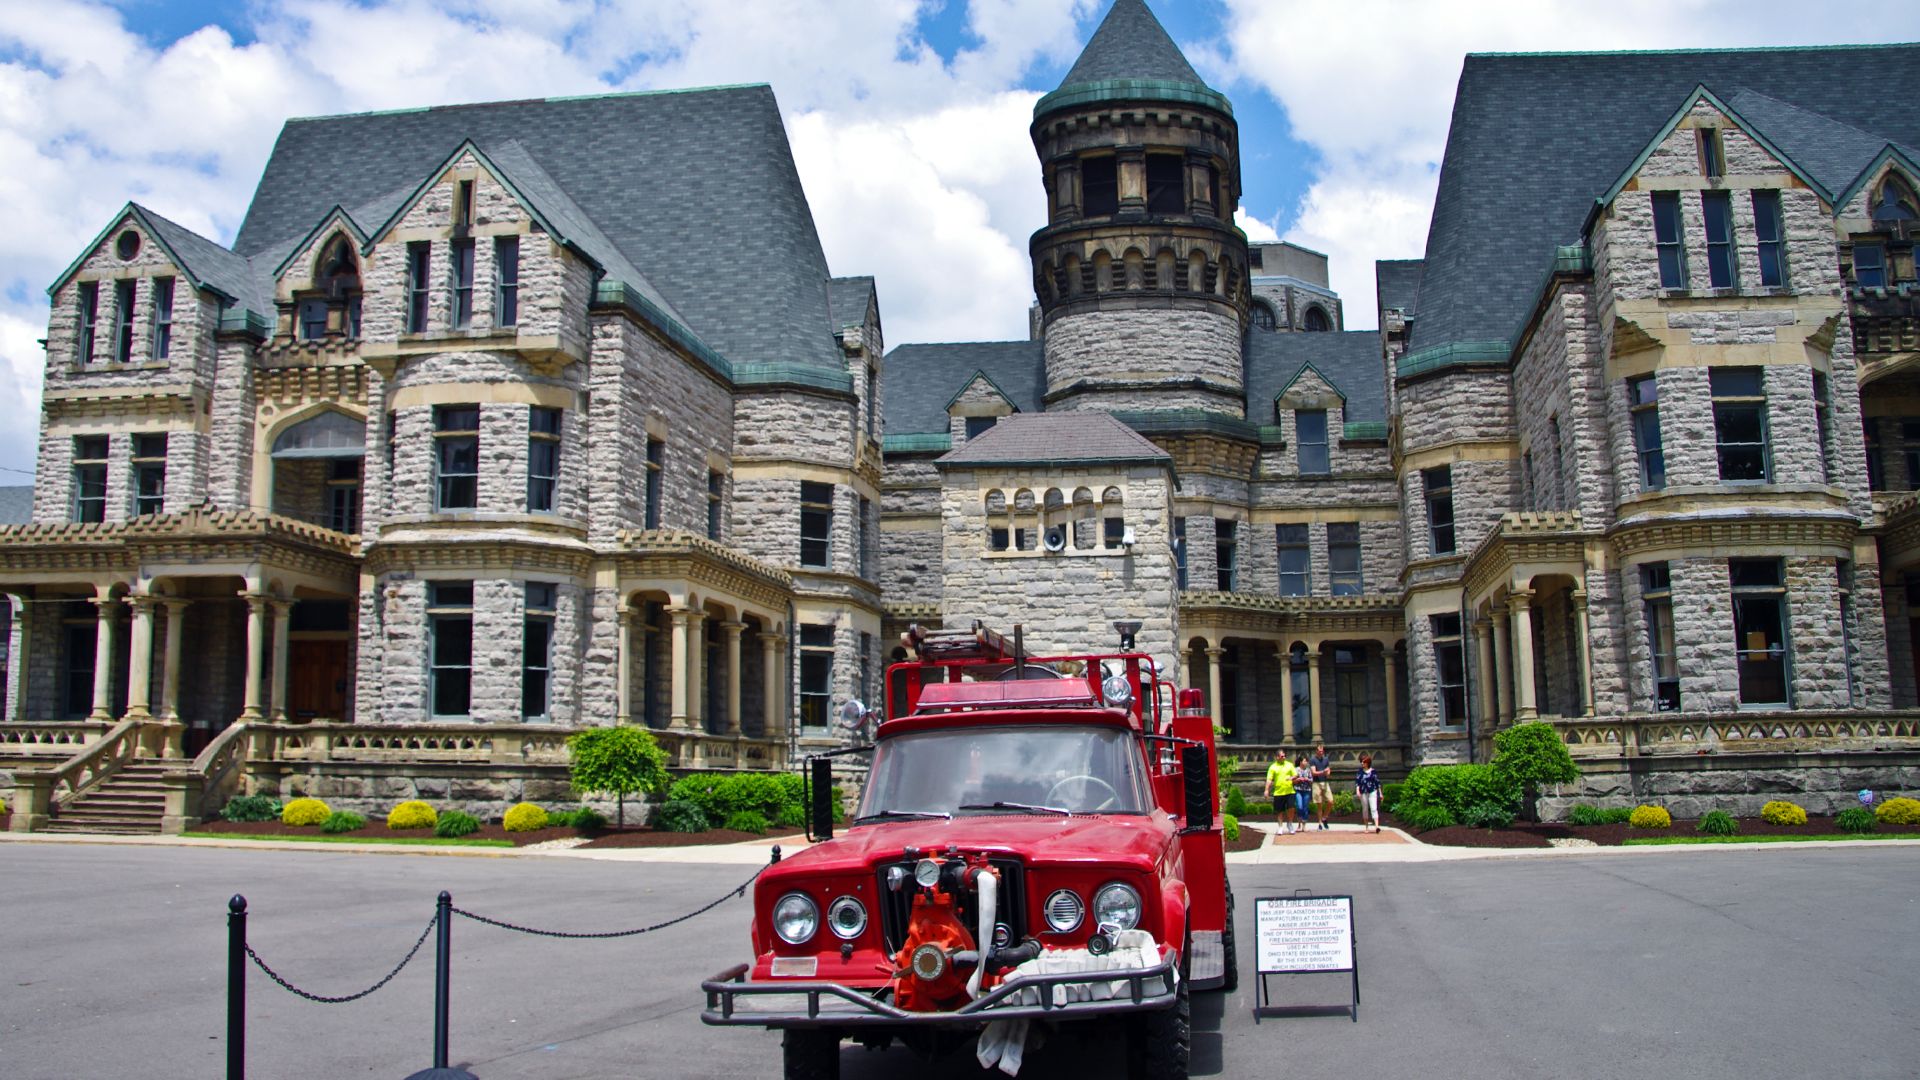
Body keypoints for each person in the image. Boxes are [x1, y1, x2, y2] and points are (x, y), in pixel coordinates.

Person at [1263, 749, 1298, 835]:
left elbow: (1296, 774)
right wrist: (1266, 790)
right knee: (1280, 811)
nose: (1284, 757)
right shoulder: (1273, 767)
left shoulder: (1289, 765)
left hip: (1290, 791)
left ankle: (1290, 823)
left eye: (1284, 756)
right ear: (1277, 757)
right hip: (1278, 792)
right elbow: (1269, 779)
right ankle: (1280, 826)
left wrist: (1291, 778)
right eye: (1282, 756)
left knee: (1291, 807)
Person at [1355, 754, 1382, 833]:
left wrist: (1380, 793)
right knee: (1365, 809)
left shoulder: (1373, 771)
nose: (1362, 763)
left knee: (1374, 808)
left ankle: (1377, 826)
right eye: (1361, 762)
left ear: (1368, 762)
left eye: (1363, 762)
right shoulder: (1360, 772)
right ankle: (1366, 827)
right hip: (1363, 792)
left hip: (1372, 791)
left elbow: (1377, 782)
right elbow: (1357, 782)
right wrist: (1357, 790)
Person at [1309, 742, 1334, 830]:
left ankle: (1324, 817)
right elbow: (1313, 772)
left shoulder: (1326, 759)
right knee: (1319, 804)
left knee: (1330, 801)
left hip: (1325, 782)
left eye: (1322, 751)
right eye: (1319, 751)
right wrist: (1323, 772)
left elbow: (1328, 770)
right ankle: (1320, 823)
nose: (1321, 752)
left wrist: (1328, 773)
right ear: (1316, 751)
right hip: (1316, 783)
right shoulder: (1312, 760)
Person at [1291, 755, 1314, 833]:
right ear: (1300, 762)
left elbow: (1311, 780)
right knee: (1299, 806)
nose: (1306, 762)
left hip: (1306, 790)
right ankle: (1299, 823)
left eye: (1306, 761)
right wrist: (1298, 780)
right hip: (1298, 790)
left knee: (1305, 807)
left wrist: (1307, 779)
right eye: (1304, 761)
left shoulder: (1308, 770)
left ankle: (1304, 825)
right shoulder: (1296, 770)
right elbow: (1292, 781)